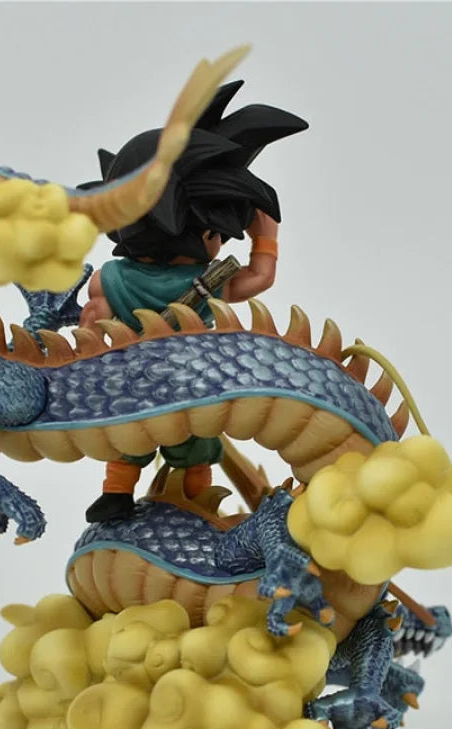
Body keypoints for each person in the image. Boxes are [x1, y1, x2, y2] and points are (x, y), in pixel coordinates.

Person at [78, 81, 308, 523]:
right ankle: (197, 499)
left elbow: (93, 324)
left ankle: (117, 492)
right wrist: (266, 234)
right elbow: (261, 276)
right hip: (192, 389)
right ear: (202, 229)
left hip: (135, 388)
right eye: (217, 231)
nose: (219, 241)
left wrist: (94, 356)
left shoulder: (111, 277)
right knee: (195, 445)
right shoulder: (210, 281)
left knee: (132, 437)